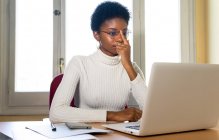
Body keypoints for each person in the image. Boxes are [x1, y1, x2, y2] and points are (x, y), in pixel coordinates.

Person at [49, 1, 147, 123]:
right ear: (96, 35)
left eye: (124, 32)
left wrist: (127, 65)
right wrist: (113, 115)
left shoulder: (132, 68)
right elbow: (56, 113)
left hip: (120, 135)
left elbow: (152, 111)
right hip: (86, 134)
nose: (120, 39)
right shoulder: (79, 63)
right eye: (112, 33)